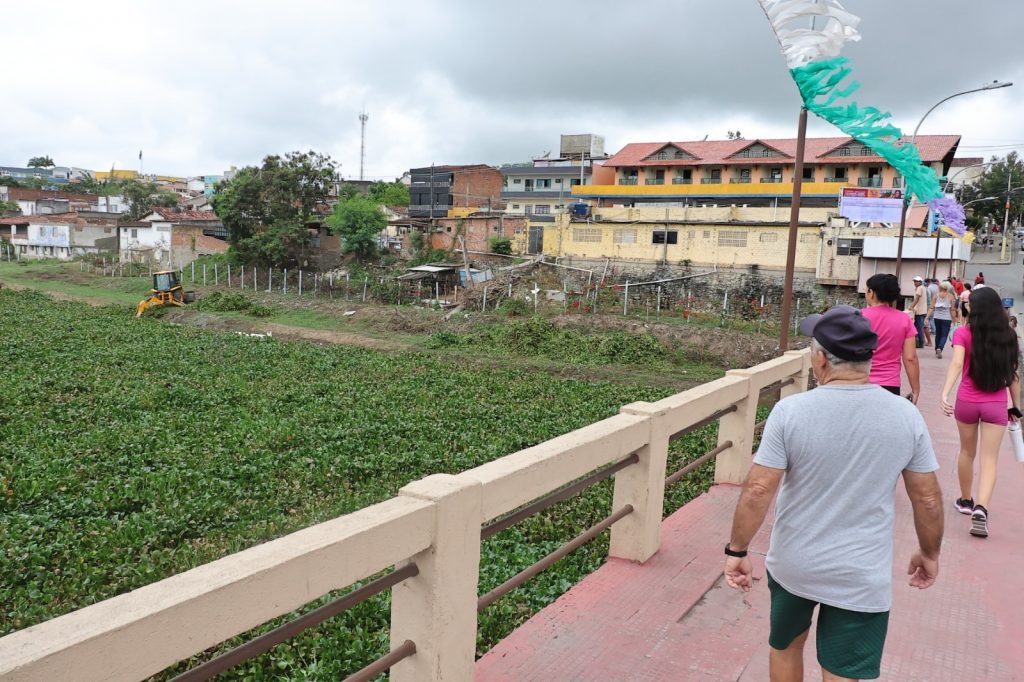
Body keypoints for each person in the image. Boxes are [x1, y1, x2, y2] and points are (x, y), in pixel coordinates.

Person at [724, 306, 943, 681]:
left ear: (821, 359)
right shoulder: (905, 416)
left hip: (795, 563)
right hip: (861, 571)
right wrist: (929, 553)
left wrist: (737, 551)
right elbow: (928, 499)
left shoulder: (790, 412)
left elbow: (758, 489)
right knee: (843, 668)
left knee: (787, 646)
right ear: (869, 358)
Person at [940, 286, 1021, 538]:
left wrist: (945, 392)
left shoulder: (963, 333)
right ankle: (981, 508)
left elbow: (956, 363)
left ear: (975, 309)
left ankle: (966, 501)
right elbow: (1013, 375)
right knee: (989, 459)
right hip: (995, 405)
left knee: (966, 451)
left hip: (967, 401)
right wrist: (1016, 406)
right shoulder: (1009, 336)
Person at [862, 273, 920, 400]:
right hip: (890, 384)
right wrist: (915, 390)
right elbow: (910, 358)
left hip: (861, 381)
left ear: (871, 293)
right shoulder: (904, 319)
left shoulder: (859, 317)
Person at [926, 280, 958, 359]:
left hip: (937, 317)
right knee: (944, 334)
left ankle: (936, 348)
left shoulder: (936, 296)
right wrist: (954, 319)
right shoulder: (951, 296)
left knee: (938, 333)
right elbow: (952, 309)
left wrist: (927, 317)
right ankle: (940, 348)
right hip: (947, 318)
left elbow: (931, 307)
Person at [911, 276, 929, 348]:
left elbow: (916, 299)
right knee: (919, 327)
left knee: (918, 328)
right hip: (922, 310)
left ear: (920, 282)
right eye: (914, 281)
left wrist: (911, 307)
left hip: (919, 311)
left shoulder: (919, 288)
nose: (915, 283)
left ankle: (921, 343)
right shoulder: (923, 288)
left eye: (917, 281)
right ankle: (920, 343)